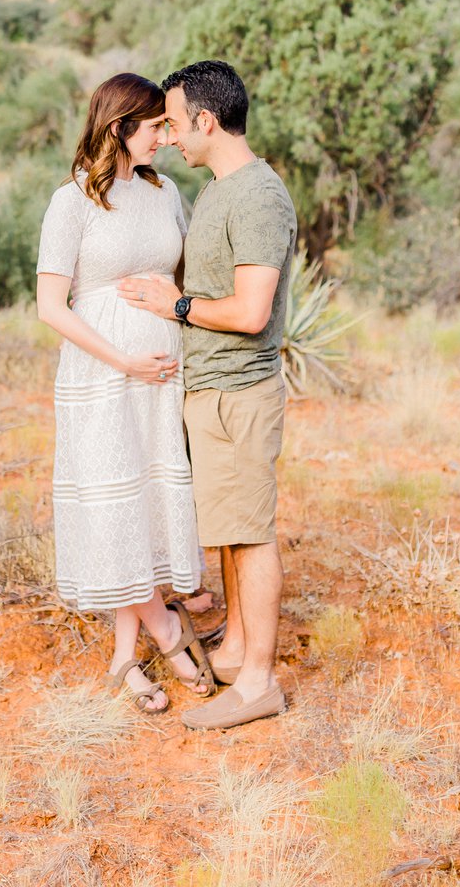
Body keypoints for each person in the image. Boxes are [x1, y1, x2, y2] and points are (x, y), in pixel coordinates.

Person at [118, 59, 297, 730]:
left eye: (173, 123)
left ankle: (257, 685)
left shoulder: (257, 197)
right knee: (229, 529)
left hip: (240, 392)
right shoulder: (223, 190)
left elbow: (250, 312)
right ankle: (238, 649)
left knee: (250, 536)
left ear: (206, 120)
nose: (167, 137)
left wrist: (176, 305)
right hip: (213, 389)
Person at [36, 73, 215, 714]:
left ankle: (122, 657)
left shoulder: (165, 193)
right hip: (104, 375)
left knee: (143, 501)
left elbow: (184, 275)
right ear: (119, 128)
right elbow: (50, 306)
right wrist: (123, 361)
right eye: (155, 126)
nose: (165, 138)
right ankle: (165, 629)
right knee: (115, 502)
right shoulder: (73, 202)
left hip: (160, 375)